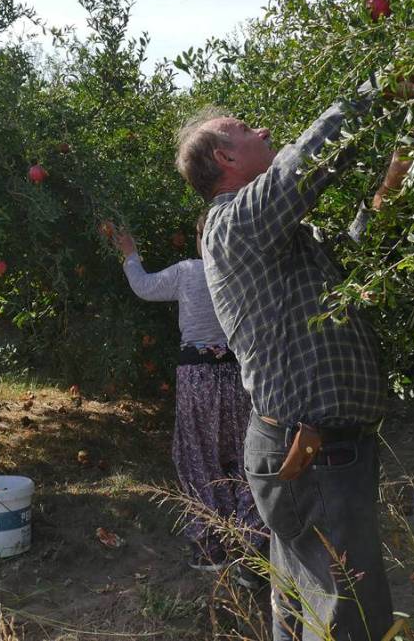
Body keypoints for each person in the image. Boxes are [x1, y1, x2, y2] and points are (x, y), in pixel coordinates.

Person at [174, 83, 408, 640]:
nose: (265, 132)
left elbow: (356, 256)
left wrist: (395, 176)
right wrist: (389, 83)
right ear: (225, 158)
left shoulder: (283, 240)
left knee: (303, 603)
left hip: (311, 449)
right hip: (312, 451)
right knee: (345, 617)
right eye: (246, 130)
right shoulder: (233, 224)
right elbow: (302, 167)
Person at [108, 216, 267, 583]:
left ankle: (212, 547)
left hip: (197, 376)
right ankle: (251, 551)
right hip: (240, 375)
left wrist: (130, 253)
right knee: (245, 458)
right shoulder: (248, 273)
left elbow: (144, 287)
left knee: (199, 458)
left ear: (201, 238)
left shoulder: (188, 271)